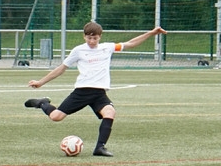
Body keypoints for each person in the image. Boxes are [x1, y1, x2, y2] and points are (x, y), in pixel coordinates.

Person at [23, 22, 167, 156]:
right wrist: (41, 82)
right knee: (56, 117)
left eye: (95, 38)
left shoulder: (107, 47)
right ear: (84, 36)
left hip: (99, 93)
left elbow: (130, 44)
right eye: (89, 38)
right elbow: (61, 69)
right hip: (82, 91)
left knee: (110, 112)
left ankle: (100, 147)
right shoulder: (78, 50)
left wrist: (152, 33)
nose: (92, 41)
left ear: (100, 37)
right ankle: (42, 103)